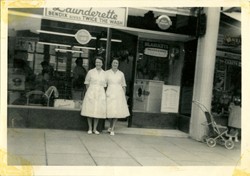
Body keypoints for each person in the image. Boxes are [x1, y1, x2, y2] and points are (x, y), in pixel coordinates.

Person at [81, 56, 106, 134]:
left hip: (100, 93)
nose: (98, 63)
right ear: (95, 63)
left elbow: (105, 85)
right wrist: (90, 91)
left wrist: (101, 93)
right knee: (90, 109)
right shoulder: (90, 72)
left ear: (102, 63)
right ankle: (90, 128)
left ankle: (95, 129)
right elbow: (87, 83)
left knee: (97, 110)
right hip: (91, 92)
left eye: (99, 62)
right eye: (96, 62)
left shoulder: (104, 73)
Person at [105, 58, 130, 135]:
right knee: (109, 109)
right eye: (114, 63)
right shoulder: (107, 73)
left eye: (116, 63)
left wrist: (124, 96)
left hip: (119, 93)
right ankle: (110, 125)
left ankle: (112, 128)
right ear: (111, 64)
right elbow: (104, 84)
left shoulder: (121, 74)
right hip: (110, 91)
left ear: (118, 64)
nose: (115, 64)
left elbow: (124, 85)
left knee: (116, 111)